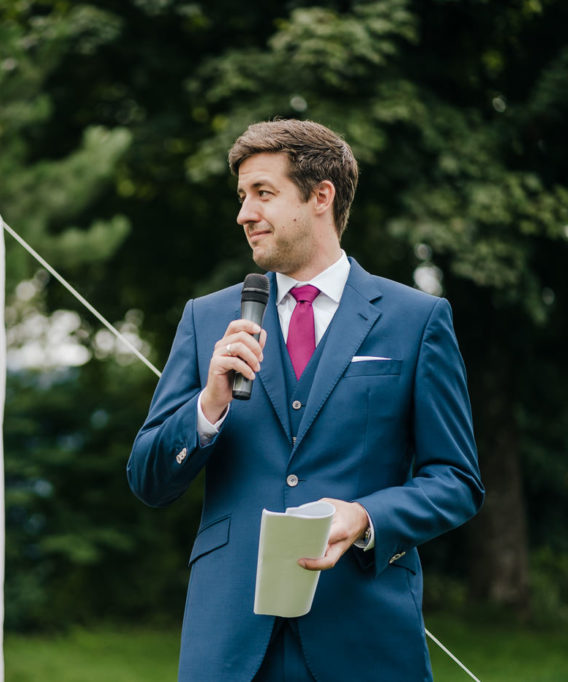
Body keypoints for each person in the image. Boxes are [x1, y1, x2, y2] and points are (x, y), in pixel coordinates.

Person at [127, 119, 484, 682]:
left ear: (321, 197)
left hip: (363, 632)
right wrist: (208, 405)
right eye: (242, 196)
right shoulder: (207, 319)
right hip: (230, 638)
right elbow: (148, 479)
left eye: (263, 193)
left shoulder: (416, 320)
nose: (244, 213)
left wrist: (367, 516)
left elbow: (457, 480)